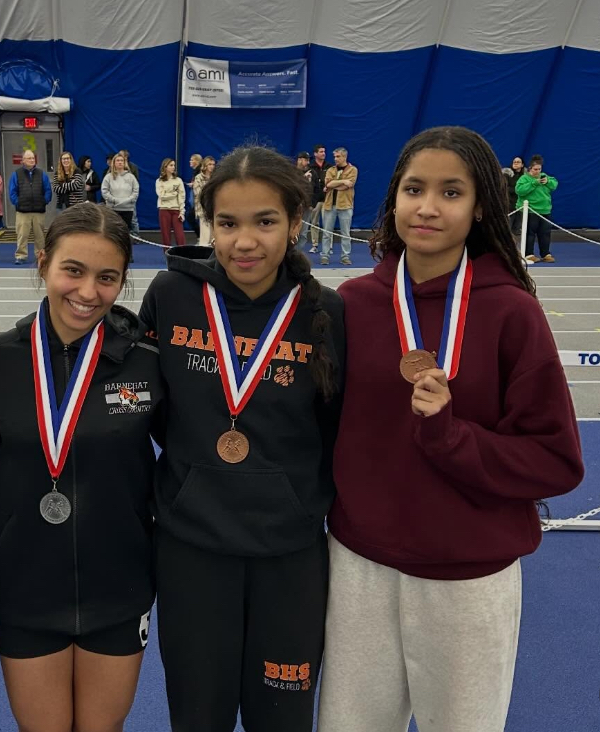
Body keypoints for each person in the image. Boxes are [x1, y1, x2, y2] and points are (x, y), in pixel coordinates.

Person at [316, 126, 583, 732]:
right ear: (394, 198)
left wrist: (450, 437)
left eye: (451, 192)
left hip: (468, 575)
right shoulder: (352, 303)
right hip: (359, 565)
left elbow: (557, 461)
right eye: (414, 189)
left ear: (481, 206)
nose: (428, 207)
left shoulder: (512, 311)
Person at [139, 145, 345, 732]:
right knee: (197, 717)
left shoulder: (326, 312)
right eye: (227, 224)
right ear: (209, 224)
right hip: (191, 548)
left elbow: (334, 428)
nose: (244, 242)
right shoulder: (171, 295)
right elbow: (149, 410)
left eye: (265, 221)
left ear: (296, 223)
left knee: (282, 718)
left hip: (289, 555)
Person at [0, 204, 164, 732]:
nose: (88, 292)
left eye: (107, 277)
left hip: (120, 584)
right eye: (73, 270)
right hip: (25, 586)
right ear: (43, 263)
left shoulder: (146, 362)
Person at [8, 149, 52, 266]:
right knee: (22, 235)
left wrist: (44, 201)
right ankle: (21, 255)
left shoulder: (42, 174)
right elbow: (12, 192)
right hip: (22, 211)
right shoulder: (16, 174)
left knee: (40, 236)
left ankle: (40, 256)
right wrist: (18, 202)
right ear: (23, 160)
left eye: (33, 158)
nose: (32, 160)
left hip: (38, 211)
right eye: (29, 158)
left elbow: (48, 190)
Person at [516, 154, 558, 263]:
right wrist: (534, 183)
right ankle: (529, 254)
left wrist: (548, 181)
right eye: (535, 169)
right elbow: (520, 191)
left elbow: (554, 185)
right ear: (530, 168)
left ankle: (545, 253)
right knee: (529, 233)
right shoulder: (524, 178)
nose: (538, 171)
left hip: (544, 210)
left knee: (545, 233)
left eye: (539, 169)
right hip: (530, 211)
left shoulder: (544, 176)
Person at [320, 147, 358, 266]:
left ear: (344, 157)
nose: (335, 159)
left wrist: (333, 185)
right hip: (329, 205)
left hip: (345, 205)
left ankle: (345, 256)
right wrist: (342, 181)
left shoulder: (353, 170)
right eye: (334, 157)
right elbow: (328, 183)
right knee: (327, 233)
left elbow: (349, 185)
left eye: (338, 156)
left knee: (345, 233)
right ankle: (325, 255)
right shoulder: (330, 170)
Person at [101, 153, 139, 233]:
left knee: (125, 231)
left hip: (127, 209)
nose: (120, 162)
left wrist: (128, 200)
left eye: (122, 160)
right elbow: (104, 191)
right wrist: (114, 200)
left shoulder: (131, 177)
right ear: (114, 163)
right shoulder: (108, 177)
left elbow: (135, 191)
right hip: (112, 209)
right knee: (113, 231)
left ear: (125, 163)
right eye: (118, 160)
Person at [155, 158, 185, 247]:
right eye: (171, 165)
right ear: (165, 167)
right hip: (163, 209)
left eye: (174, 165)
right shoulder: (159, 181)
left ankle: (183, 253)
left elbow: (181, 197)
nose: (173, 167)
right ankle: (167, 253)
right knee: (165, 235)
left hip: (176, 209)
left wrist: (182, 211)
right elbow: (161, 196)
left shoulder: (178, 180)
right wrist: (174, 193)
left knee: (179, 235)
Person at [307, 145, 328, 254]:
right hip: (316, 200)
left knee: (327, 224)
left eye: (324, 151)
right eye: (321, 151)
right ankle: (314, 245)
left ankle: (328, 247)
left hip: (327, 199)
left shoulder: (329, 166)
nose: (323, 153)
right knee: (314, 223)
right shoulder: (310, 167)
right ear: (315, 154)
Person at [192, 156, 215, 245]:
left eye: (213, 164)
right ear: (205, 166)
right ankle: (203, 251)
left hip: (214, 209)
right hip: (203, 209)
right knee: (205, 235)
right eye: (209, 164)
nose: (212, 166)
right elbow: (198, 193)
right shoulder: (198, 178)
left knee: (214, 236)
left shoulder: (215, 178)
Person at [118, 149, 141, 237]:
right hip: (118, 196)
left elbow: (135, 182)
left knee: (133, 217)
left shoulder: (133, 167)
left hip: (130, 196)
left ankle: (136, 235)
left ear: (126, 157)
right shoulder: (115, 167)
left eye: (121, 155)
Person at [506, 156, 524, 234]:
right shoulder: (507, 174)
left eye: (518, 162)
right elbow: (505, 188)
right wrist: (518, 190)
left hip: (521, 204)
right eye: (514, 162)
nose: (516, 163)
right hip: (509, 204)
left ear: (522, 165)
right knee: (507, 229)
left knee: (517, 230)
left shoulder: (525, 176)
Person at [186, 153, 202, 237]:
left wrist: (193, 184)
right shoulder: (195, 172)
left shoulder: (199, 172)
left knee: (190, 217)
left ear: (197, 161)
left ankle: (200, 235)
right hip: (195, 198)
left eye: (192, 160)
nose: (190, 161)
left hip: (198, 200)